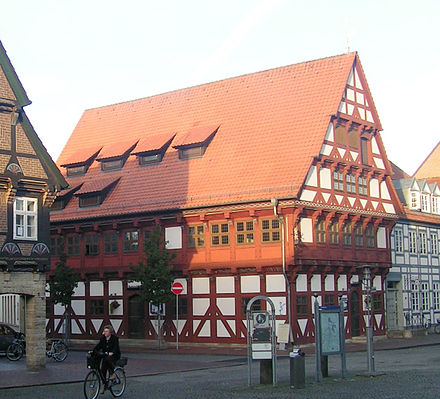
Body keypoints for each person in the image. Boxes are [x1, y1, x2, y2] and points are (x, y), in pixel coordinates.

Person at [93, 325, 121, 394]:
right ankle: (105, 384)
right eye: (104, 331)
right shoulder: (102, 338)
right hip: (105, 356)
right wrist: (94, 351)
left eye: (106, 331)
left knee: (107, 359)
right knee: (103, 370)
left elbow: (116, 347)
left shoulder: (114, 338)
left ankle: (113, 374)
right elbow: (98, 346)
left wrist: (113, 352)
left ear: (110, 332)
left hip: (114, 356)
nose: (104, 333)